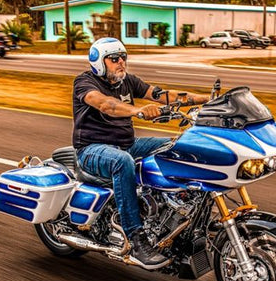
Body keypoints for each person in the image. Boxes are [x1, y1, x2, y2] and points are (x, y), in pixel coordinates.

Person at [72, 37, 211, 267]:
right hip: (91, 149)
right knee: (122, 162)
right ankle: (136, 239)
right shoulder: (85, 83)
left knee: (179, 145)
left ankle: (182, 209)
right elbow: (106, 104)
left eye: (123, 57)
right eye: (114, 58)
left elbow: (166, 95)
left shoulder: (128, 82)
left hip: (127, 143)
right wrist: (138, 111)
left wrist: (209, 99)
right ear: (98, 61)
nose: (121, 63)